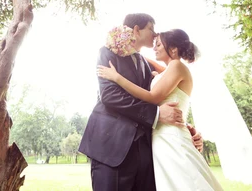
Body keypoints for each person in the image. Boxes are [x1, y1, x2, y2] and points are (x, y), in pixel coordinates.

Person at [78, 14, 203, 191]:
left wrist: (186, 129)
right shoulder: (107, 52)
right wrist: (158, 115)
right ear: (136, 30)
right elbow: (110, 95)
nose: (155, 34)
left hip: (147, 153)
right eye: (151, 29)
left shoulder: (148, 64)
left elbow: (168, 95)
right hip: (112, 147)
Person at [97, 29, 224, 191]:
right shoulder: (166, 70)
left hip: (171, 137)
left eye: (158, 44)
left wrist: (116, 77)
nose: (154, 47)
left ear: (173, 49)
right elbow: (143, 60)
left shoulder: (177, 66)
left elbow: (153, 97)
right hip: (158, 139)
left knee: (184, 182)